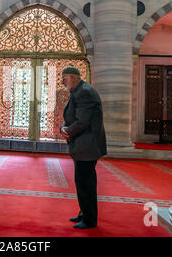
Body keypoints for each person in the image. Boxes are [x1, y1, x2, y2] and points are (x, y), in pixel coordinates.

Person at [60, 66, 107, 229]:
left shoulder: (84, 92)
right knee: (83, 182)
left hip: (87, 145)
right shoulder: (78, 91)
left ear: (73, 77)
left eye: (64, 77)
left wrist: (68, 131)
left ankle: (89, 220)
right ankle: (84, 213)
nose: (62, 81)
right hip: (83, 145)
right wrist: (63, 128)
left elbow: (82, 121)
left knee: (85, 184)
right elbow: (71, 116)